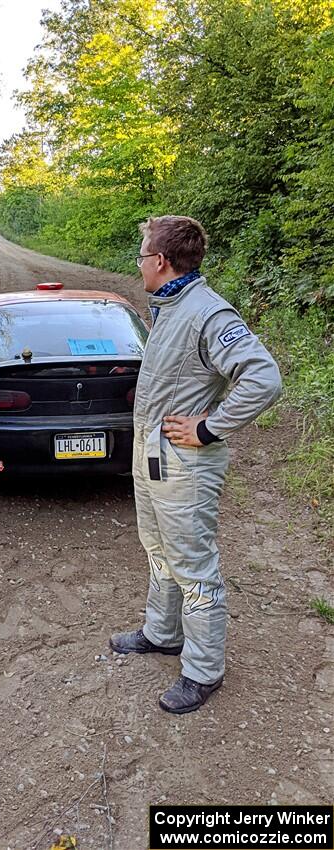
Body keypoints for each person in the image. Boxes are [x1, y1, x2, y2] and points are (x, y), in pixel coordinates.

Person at [109, 215, 282, 714]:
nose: (139, 264)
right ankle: (162, 633)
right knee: (158, 549)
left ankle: (204, 670)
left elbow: (263, 377)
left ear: (160, 261)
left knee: (195, 567)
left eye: (142, 256)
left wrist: (209, 427)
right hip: (155, 458)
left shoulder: (207, 312)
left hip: (186, 464)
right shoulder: (170, 306)